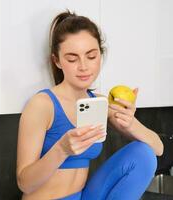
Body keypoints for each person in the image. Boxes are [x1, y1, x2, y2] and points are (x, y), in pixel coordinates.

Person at [16, 10, 164, 200]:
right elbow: (25, 183)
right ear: (57, 61)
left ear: (100, 56)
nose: (84, 66)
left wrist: (130, 123)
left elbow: (157, 148)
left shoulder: (99, 103)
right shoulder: (42, 105)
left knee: (143, 154)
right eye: (72, 58)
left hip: (83, 196)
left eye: (91, 56)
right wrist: (62, 149)